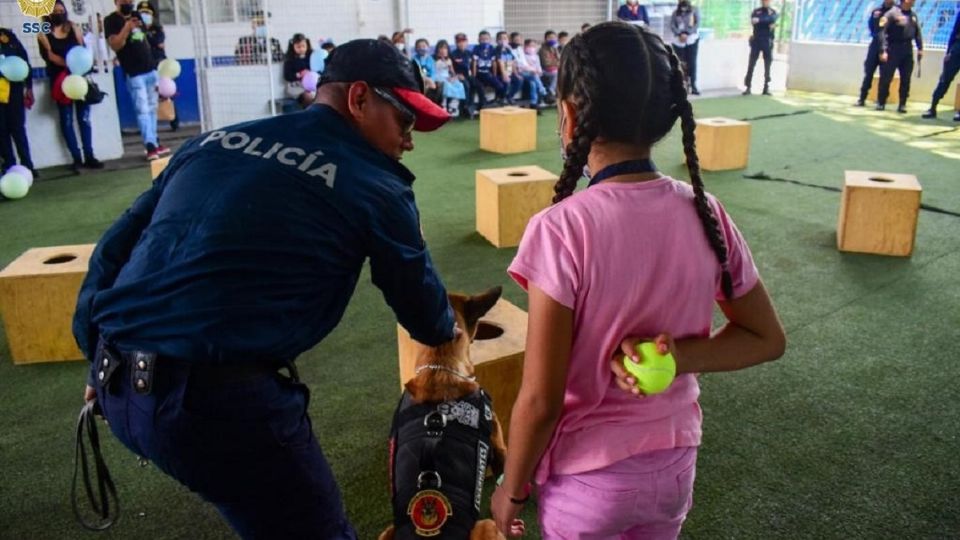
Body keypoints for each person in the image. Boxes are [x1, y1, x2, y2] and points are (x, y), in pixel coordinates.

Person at [74, 39, 458, 539]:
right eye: (404, 120)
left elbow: (112, 250)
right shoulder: (376, 184)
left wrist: (96, 354)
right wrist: (441, 302)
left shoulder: (212, 141)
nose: (409, 140)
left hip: (114, 383)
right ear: (359, 99)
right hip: (215, 411)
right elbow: (426, 318)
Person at [489, 22, 785, 538]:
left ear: (569, 115)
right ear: (667, 118)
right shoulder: (705, 211)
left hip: (587, 482)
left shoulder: (560, 228)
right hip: (674, 468)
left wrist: (510, 492)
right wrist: (678, 358)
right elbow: (766, 338)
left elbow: (541, 398)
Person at [38, 1, 103, 172]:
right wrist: (67, 62)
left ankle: (90, 156)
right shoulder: (43, 32)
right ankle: (76, 158)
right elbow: (50, 57)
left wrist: (74, 63)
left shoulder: (73, 27)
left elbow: (82, 50)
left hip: (79, 79)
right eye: (55, 11)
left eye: (61, 10)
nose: (59, 13)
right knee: (66, 120)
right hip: (61, 82)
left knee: (84, 119)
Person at [105, 0, 169, 161]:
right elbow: (115, 45)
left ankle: (154, 140)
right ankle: (149, 146)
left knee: (153, 108)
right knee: (143, 110)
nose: (128, 2)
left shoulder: (136, 15)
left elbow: (145, 38)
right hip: (135, 74)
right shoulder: (111, 21)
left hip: (150, 70)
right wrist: (126, 28)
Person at [0, 27, 37, 177]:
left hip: (14, 91)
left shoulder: (9, 37)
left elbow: (25, 63)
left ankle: (28, 165)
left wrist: (29, 86)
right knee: (1, 132)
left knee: (18, 129)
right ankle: (9, 166)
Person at [138, 1, 179, 131]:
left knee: (167, 93)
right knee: (147, 96)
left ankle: (174, 121)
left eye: (147, 13)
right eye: (142, 14)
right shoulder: (137, 30)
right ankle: (150, 126)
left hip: (160, 65)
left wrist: (147, 40)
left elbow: (159, 43)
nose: (145, 16)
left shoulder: (157, 29)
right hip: (144, 66)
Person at [876, 0, 922, 112]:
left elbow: (917, 33)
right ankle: (881, 102)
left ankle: (902, 104)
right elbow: (882, 32)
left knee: (906, 78)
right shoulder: (892, 13)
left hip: (907, 50)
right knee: (886, 77)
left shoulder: (913, 15)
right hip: (893, 49)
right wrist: (883, 50)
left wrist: (920, 48)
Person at [856, 0, 896, 107]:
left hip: (889, 47)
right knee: (868, 73)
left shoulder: (896, 12)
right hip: (875, 45)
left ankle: (881, 102)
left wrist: (885, 48)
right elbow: (872, 26)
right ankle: (862, 98)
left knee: (885, 76)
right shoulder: (877, 11)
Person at [921, 9, 958, 119]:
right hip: (957, 49)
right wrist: (948, 51)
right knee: (945, 78)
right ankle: (933, 107)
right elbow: (954, 32)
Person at [742, 0, 778, 96]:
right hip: (756, 40)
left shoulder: (773, 12)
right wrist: (766, 22)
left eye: (767, 1)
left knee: (768, 65)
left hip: (767, 41)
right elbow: (755, 20)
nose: (765, 2)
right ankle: (748, 87)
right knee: (751, 64)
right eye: (764, 1)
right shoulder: (756, 11)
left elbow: (772, 19)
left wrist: (761, 20)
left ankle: (766, 87)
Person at [671, 0, 701, 95]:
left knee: (692, 63)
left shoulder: (694, 10)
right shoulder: (675, 12)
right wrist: (679, 34)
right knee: (679, 64)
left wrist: (687, 33)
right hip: (678, 41)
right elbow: (672, 25)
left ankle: (693, 85)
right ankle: (681, 86)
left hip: (691, 40)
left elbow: (697, 24)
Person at [433, 40, 467, 116]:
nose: (443, 50)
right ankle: (443, 105)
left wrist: (455, 77)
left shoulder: (449, 60)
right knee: (446, 85)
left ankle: (453, 106)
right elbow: (434, 71)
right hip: (438, 77)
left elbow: (452, 72)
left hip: (447, 76)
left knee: (458, 84)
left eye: (445, 48)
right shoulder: (434, 60)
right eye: (441, 48)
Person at [450, 32, 479, 116]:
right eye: (459, 42)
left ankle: (474, 105)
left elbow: (473, 65)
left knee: (477, 84)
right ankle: (464, 106)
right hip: (458, 76)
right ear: (456, 43)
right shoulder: (453, 54)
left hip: (468, 75)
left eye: (463, 41)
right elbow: (451, 69)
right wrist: (457, 75)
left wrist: (474, 74)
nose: (461, 44)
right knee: (466, 85)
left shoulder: (469, 53)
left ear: (467, 42)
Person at [473, 30, 503, 107]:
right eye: (482, 39)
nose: (484, 41)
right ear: (478, 40)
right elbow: (474, 62)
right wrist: (474, 75)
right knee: (480, 87)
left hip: (488, 74)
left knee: (500, 86)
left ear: (490, 40)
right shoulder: (476, 48)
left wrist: (494, 74)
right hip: (479, 74)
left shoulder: (491, 48)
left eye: (486, 39)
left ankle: (497, 100)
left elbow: (494, 63)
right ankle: (482, 104)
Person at [283, 33, 314, 108]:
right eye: (298, 47)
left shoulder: (312, 56)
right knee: (308, 97)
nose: (301, 49)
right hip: (297, 86)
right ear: (293, 47)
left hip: (311, 84)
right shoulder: (289, 59)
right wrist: (299, 74)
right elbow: (287, 76)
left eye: (303, 46)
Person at [495, 31, 523, 105]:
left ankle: (509, 96)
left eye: (505, 38)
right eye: (500, 39)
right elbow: (499, 61)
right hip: (500, 74)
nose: (503, 40)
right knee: (506, 81)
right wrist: (504, 74)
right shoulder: (498, 49)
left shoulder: (508, 50)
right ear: (497, 41)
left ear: (508, 40)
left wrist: (516, 74)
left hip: (509, 72)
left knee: (519, 80)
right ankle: (501, 98)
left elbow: (512, 62)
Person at [521, 39, 549, 109]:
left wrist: (539, 71)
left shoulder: (536, 56)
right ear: (525, 47)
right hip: (525, 74)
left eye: (533, 46)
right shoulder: (523, 56)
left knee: (533, 84)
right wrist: (534, 70)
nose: (532, 48)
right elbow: (523, 67)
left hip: (534, 76)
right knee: (534, 77)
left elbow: (538, 66)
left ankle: (534, 103)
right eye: (530, 46)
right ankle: (543, 92)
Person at [539, 30, 560, 97]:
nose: (552, 39)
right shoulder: (543, 49)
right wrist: (557, 63)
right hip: (545, 70)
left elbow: (560, 59)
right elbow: (546, 63)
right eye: (550, 38)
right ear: (545, 39)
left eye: (554, 37)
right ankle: (551, 90)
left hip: (554, 68)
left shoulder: (554, 48)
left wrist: (556, 50)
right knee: (556, 73)